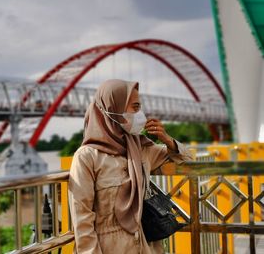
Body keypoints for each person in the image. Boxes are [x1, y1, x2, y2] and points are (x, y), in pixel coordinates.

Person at [68, 79, 192, 254]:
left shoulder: (140, 149)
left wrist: (167, 139)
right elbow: (82, 219)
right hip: (109, 247)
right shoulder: (87, 157)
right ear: (113, 109)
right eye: (135, 107)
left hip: (147, 246)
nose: (140, 114)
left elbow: (187, 159)